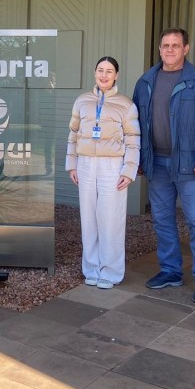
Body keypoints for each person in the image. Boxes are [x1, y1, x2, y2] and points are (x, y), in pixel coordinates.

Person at [133, 27, 195, 304]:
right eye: (165, 45)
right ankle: (171, 270)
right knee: (162, 219)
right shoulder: (146, 81)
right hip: (157, 163)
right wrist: (138, 158)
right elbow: (135, 124)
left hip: (191, 163)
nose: (170, 49)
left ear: (186, 49)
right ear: (159, 49)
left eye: (175, 45)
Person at [66, 57, 140, 289]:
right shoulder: (82, 101)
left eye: (109, 71)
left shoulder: (126, 104)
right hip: (86, 163)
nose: (104, 75)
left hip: (112, 165)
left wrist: (129, 170)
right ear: (94, 72)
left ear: (116, 75)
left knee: (111, 218)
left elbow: (133, 139)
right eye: (100, 70)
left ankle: (110, 271)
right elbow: (73, 134)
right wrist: (72, 164)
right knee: (88, 218)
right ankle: (91, 268)